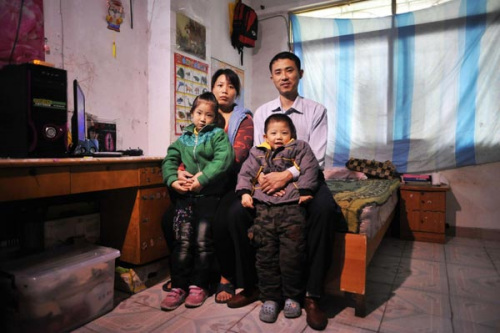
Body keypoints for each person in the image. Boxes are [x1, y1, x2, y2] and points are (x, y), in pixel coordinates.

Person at [229, 51, 337, 331]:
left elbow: (318, 159)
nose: (284, 76)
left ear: (300, 73)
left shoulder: (316, 110)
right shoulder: (263, 111)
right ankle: (253, 286)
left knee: (324, 210)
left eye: (290, 70)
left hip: (305, 177)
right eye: (278, 72)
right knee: (236, 213)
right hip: (269, 178)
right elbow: (258, 153)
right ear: (272, 77)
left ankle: (312, 295)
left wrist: (286, 177)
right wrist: (266, 181)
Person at [162, 68, 254, 304]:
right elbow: (173, 157)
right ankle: (181, 280)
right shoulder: (187, 135)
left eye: (231, 86)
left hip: (222, 185)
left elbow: (230, 158)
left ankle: (215, 279)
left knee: (214, 226)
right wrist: (176, 177)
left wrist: (201, 179)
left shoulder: (236, 123)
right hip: (191, 189)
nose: (225, 90)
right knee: (173, 223)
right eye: (220, 84)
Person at [236, 114, 319, 323]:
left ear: (292, 134)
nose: (279, 137)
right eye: (273, 133)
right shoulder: (257, 153)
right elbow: (245, 174)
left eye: (284, 132)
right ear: (265, 136)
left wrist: (306, 189)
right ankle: (270, 298)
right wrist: (245, 193)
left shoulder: (300, 148)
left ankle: (293, 297)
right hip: (264, 211)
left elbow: (310, 167)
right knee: (266, 256)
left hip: (292, 210)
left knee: (292, 255)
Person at [160, 92, 234, 311]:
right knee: (182, 241)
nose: (203, 119)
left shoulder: (218, 136)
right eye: (199, 113)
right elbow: (169, 160)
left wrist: (201, 179)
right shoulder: (183, 139)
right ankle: (179, 286)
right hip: (187, 199)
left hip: (210, 198)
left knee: (203, 241)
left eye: (209, 115)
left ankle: (199, 286)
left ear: (215, 118)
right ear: (191, 113)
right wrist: (173, 179)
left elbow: (224, 159)